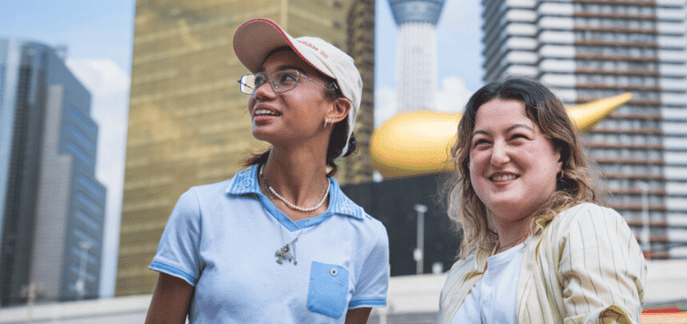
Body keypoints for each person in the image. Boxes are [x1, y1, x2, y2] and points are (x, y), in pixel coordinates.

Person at [145, 18, 389, 324]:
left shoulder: (367, 237)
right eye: (259, 79)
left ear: (336, 109)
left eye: (286, 78)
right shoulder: (201, 210)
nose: (260, 92)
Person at [438, 78, 645, 324]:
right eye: (482, 142)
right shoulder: (459, 275)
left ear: (559, 153)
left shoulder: (583, 225)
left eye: (517, 137)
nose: (497, 156)